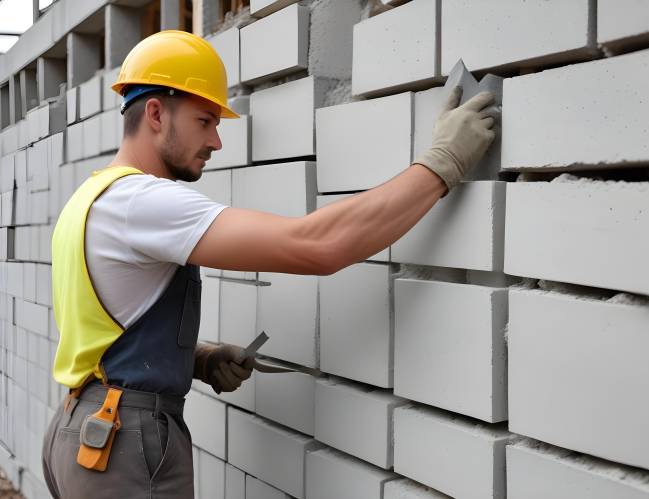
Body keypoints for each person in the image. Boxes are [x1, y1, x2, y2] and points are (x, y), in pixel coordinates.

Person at [41, 30, 495, 498]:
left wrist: (195, 360)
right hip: (122, 441)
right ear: (156, 112)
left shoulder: (91, 197)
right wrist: (443, 163)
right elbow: (319, 244)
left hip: (82, 431)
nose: (216, 141)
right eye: (205, 120)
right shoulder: (144, 201)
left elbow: (103, 323)